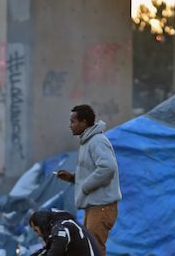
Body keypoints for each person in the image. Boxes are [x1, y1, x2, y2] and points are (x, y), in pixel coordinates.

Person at [55, 104, 121, 256]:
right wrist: (73, 178)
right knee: (88, 248)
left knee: (94, 248)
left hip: (102, 207)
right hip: (94, 207)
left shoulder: (97, 141)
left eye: (73, 121)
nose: (70, 125)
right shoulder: (87, 142)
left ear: (84, 122)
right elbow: (93, 171)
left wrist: (85, 186)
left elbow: (108, 168)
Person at [29, 209, 101, 256]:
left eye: (36, 230)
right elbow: (48, 250)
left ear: (42, 225)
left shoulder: (63, 226)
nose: (38, 235)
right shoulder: (61, 226)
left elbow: (56, 250)